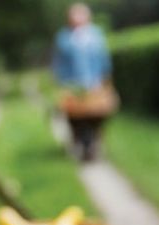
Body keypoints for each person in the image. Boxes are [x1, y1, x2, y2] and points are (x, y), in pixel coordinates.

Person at [52, 3, 115, 160]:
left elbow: (103, 58)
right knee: (76, 117)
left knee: (96, 116)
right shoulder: (64, 38)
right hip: (73, 86)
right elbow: (59, 63)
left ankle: (93, 144)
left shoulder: (96, 35)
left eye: (81, 16)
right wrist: (63, 83)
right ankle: (80, 142)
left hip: (95, 84)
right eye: (75, 16)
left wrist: (105, 79)